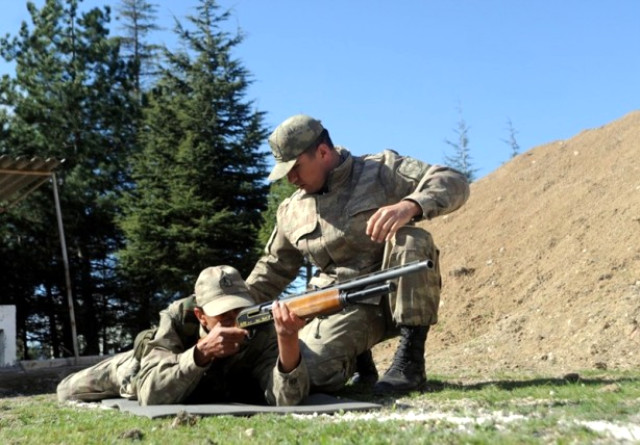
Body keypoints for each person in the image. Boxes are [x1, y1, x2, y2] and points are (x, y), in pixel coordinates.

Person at [246, 114, 469, 394]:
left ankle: (410, 362)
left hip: (392, 296)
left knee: (411, 239)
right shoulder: (291, 211)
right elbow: (274, 267)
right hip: (336, 306)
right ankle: (357, 362)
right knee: (306, 373)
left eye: (296, 168)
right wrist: (232, 305)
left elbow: (454, 180)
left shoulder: (381, 171)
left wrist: (410, 205)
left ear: (323, 152)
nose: (291, 179)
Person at [57, 265, 309, 406]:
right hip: (143, 369)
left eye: (239, 310)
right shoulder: (178, 318)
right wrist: (200, 354)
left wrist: (288, 342)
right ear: (201, 316)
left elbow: (288, 399)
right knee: (66, 390)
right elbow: (150, 394)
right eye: (223, 314)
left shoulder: (261, 327)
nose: (234, 320)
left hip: (210, 387)